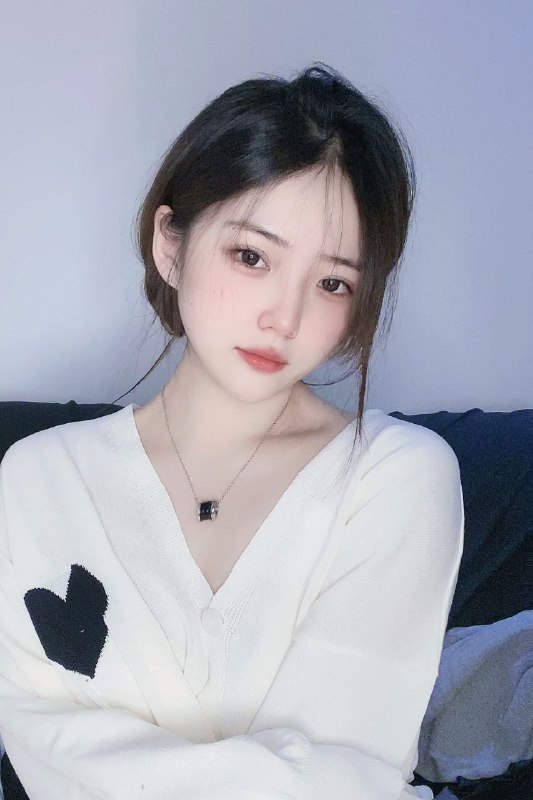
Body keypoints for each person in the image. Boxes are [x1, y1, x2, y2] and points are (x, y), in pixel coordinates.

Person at [0, 63, 464, 799]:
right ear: (171, 244)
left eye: (333, 282)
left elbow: (344, 778)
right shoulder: (35, 483)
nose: (285, 315)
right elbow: (44, 755)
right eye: (252, 256)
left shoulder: (396, 476)